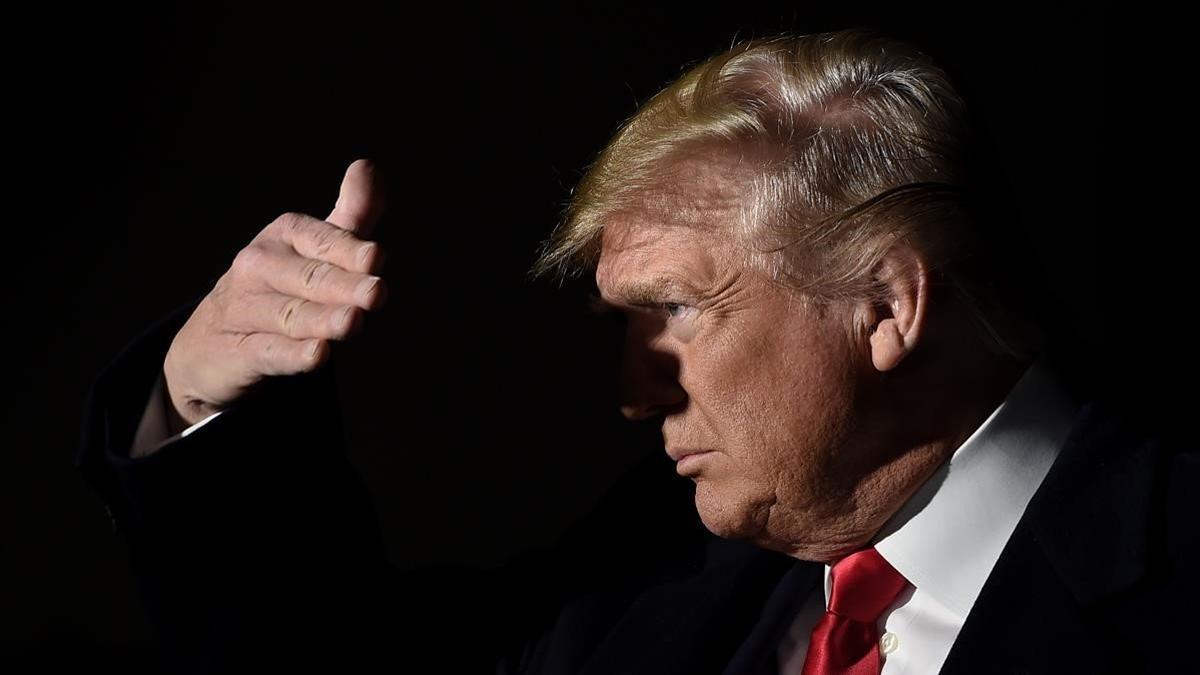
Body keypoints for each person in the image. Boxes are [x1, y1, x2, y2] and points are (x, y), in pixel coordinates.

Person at [76, 28, 1195, 674]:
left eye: (678, 310)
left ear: (890, 309)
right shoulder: (664, 564)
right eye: (625, 326)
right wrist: (197, 397)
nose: (632, 392)